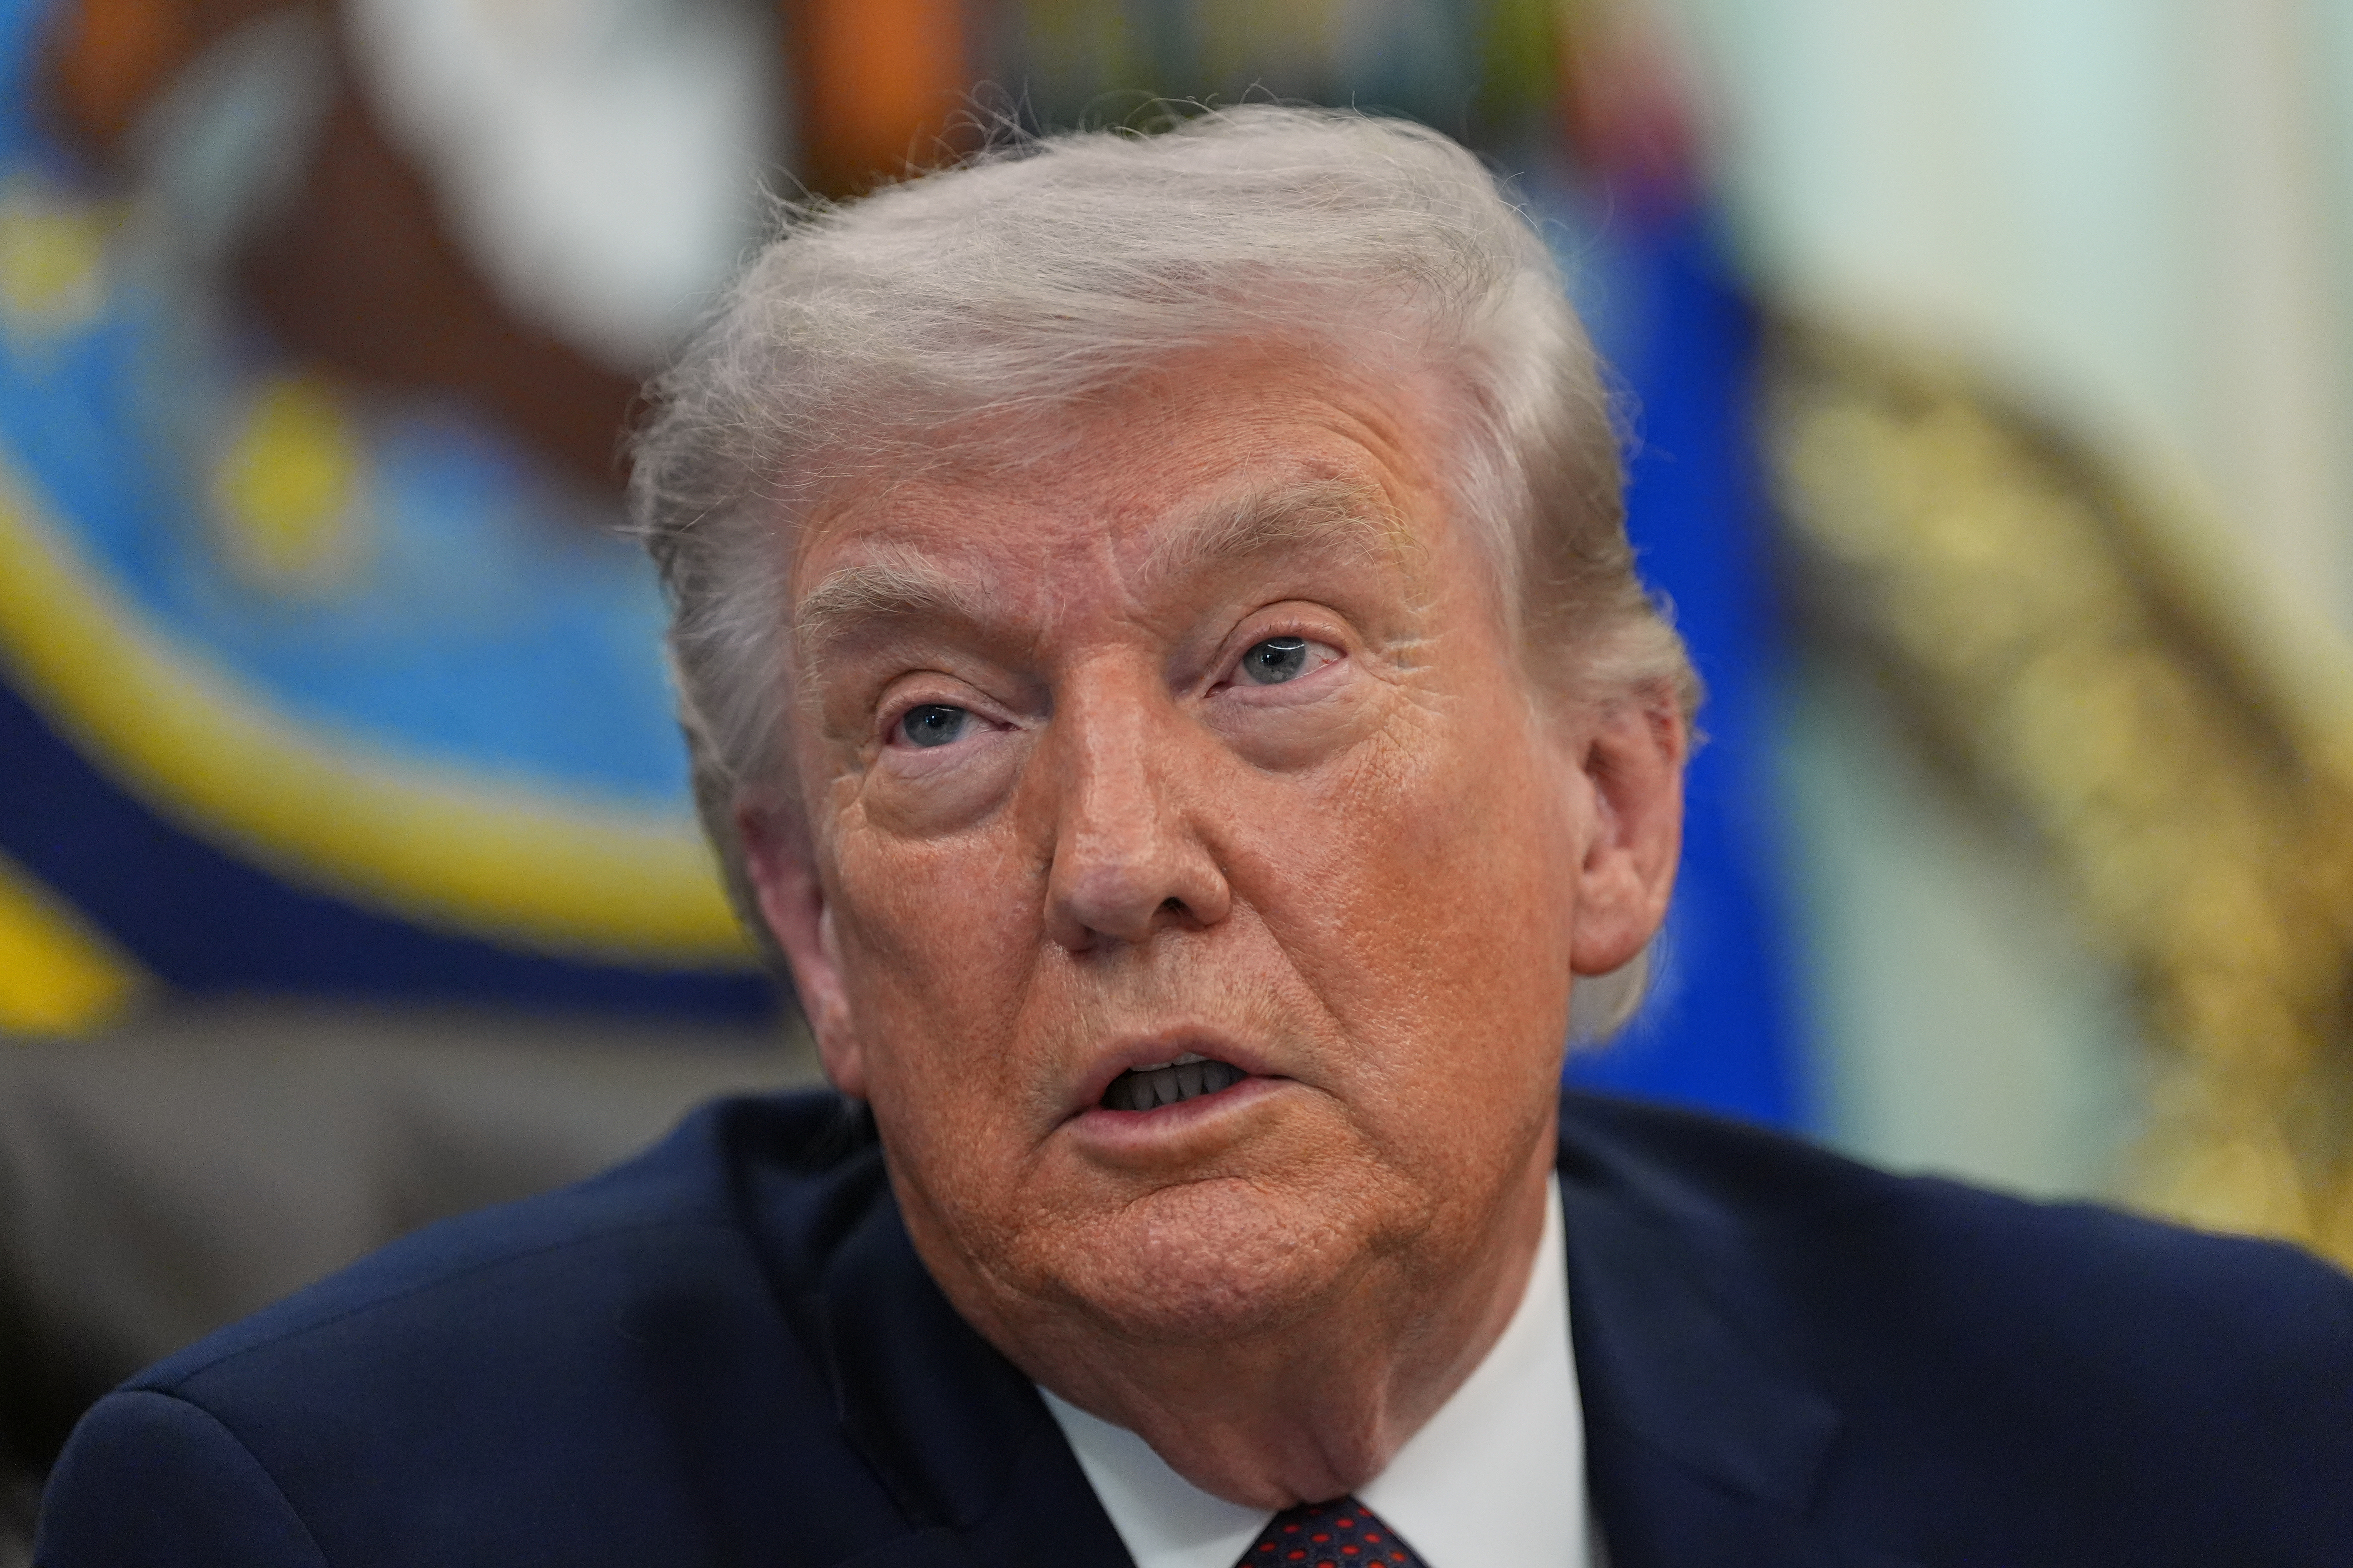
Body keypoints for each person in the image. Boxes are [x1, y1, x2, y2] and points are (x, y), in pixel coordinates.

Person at [34, 107, 2353, 1567]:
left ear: (1610, 810)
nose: (1116, 855)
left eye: (1273, 662)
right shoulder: (326, 1527)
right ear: (815, 932)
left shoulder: (2213, 1444)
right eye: (937, 718)